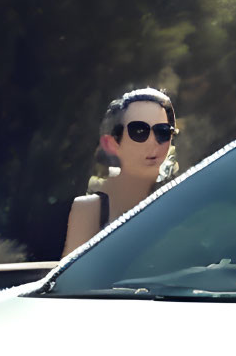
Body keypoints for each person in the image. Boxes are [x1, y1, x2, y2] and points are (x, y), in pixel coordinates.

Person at [63, 88, 179, 255]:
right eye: (139, 131)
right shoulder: (91, 210)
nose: (153, 142)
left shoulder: (182, 202)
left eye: (162, 132)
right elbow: (72, 278)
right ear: (111, 143)